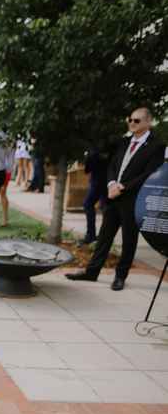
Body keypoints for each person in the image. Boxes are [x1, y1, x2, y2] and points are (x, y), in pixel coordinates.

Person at [66, 107, 165, 290]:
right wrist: (111, 183)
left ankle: (120, 276)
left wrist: (123, 187)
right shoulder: (124, 142)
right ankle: (91, 272)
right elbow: (112, 164)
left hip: (133, 199)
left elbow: (149, 174)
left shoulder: (156, 146)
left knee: (129, 239)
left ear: (148, 122)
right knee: (104, 236)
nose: (131, 123)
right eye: (130, 120)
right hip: (113, 196)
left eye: (136, 121)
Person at [80, 145, 109, 245]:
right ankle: (102, 236)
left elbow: (88, 168)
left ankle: (91, 235)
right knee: (104, 207)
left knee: (88, 204)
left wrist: (87, 156)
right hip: (107, 180)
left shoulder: (95, 146)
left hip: (98, 180)